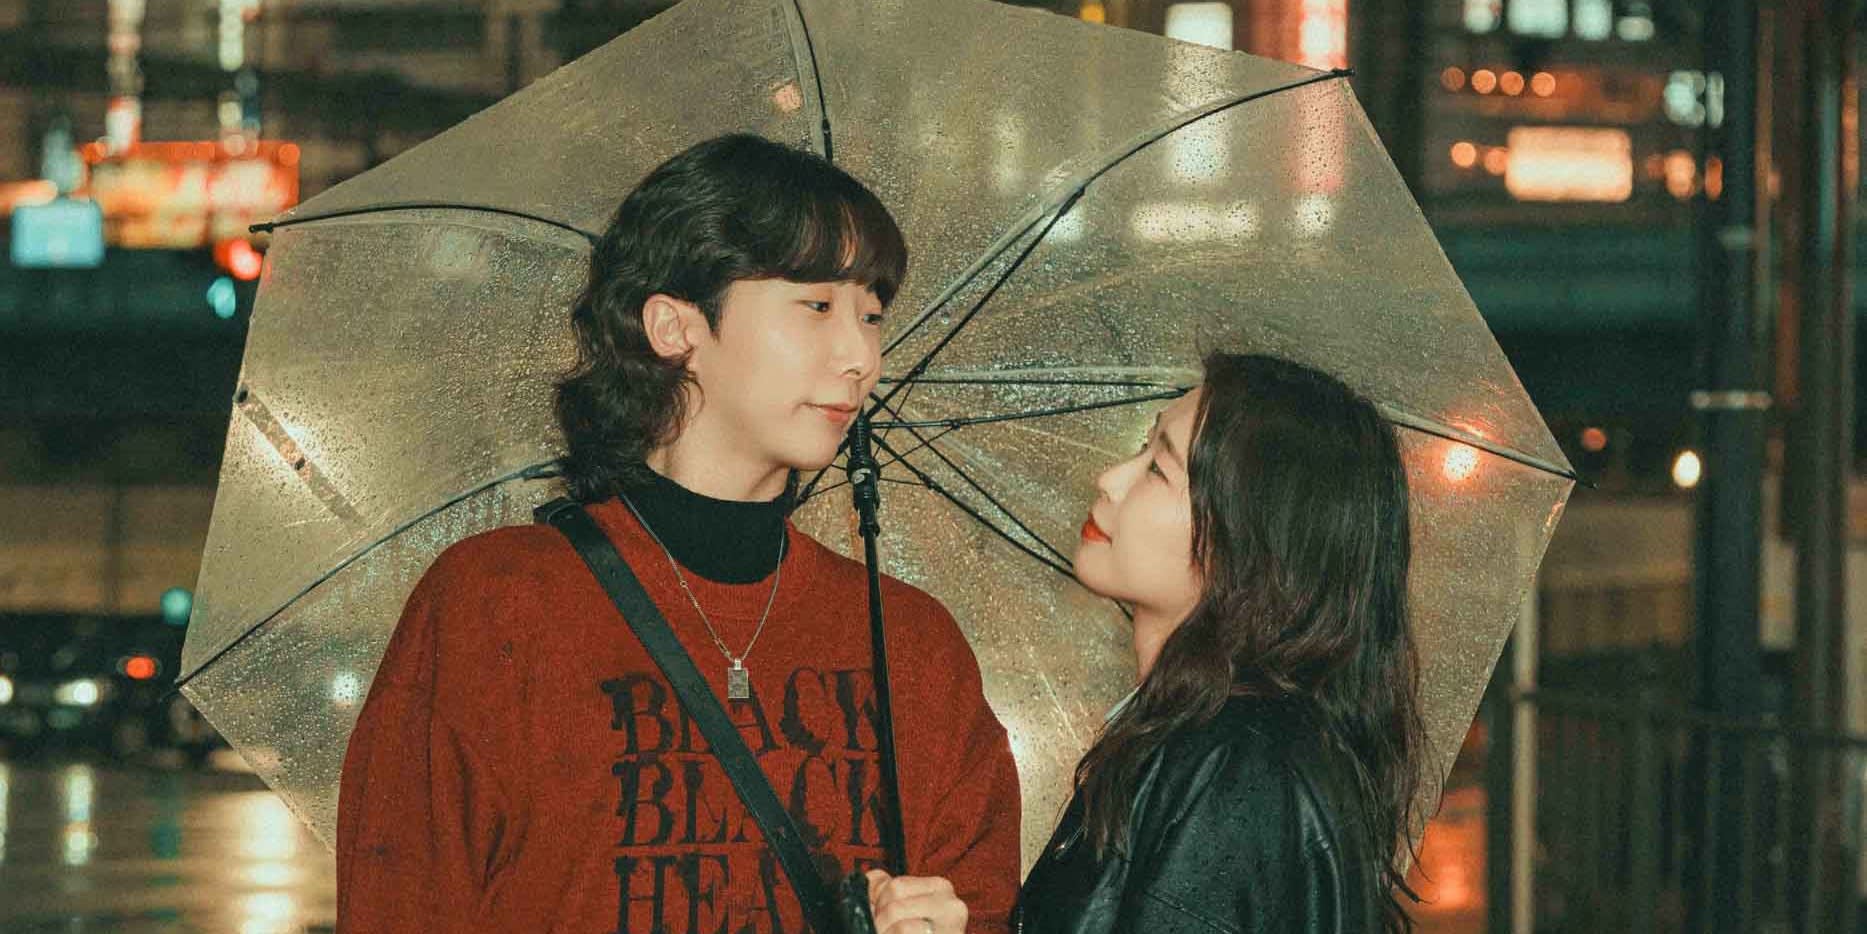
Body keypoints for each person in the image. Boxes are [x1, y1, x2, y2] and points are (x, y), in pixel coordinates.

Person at [337, 134, 1021, 934]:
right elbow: (402, 902)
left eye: (871, 315)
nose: (859, 357)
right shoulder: (497, 605)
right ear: (673, 327)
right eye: (816, 307)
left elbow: (985, 901)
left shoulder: (911, 643)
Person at [1014, 352, 1428, 933]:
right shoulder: (1212, 741)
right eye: (1143, 447)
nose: (1109, 480)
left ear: (1251, 539)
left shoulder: (1236, 768)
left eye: (1159, 469)